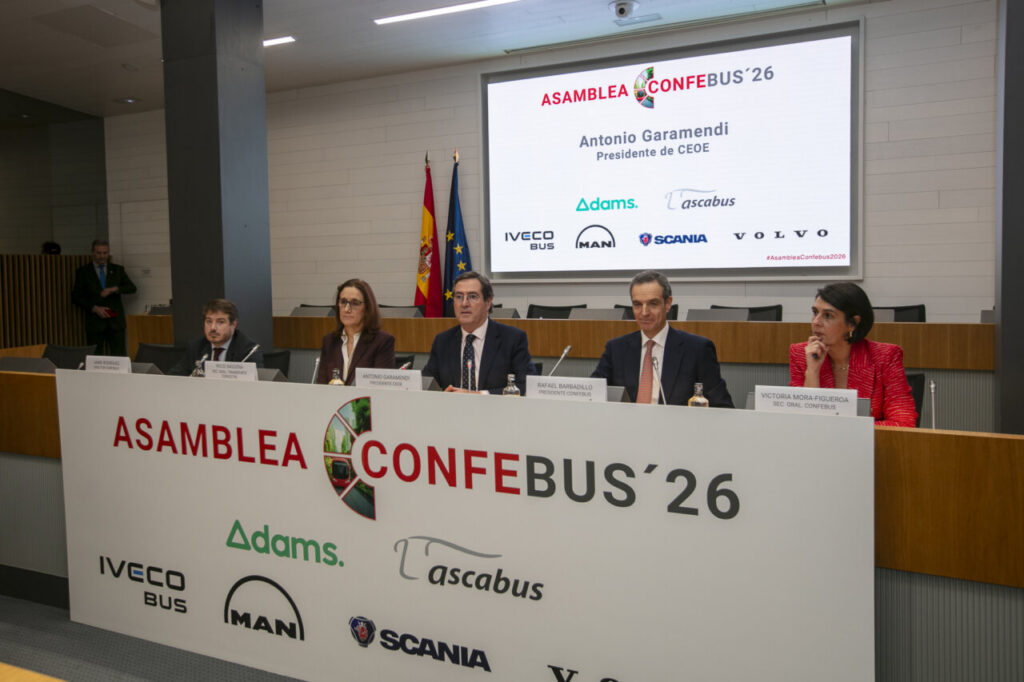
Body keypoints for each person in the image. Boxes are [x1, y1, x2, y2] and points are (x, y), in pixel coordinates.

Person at [592, 270, 733, 407]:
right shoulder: (616, 349)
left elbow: (722, 407)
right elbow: (591, 394)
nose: (644, 312)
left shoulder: (697, 350)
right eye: (637, 305)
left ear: (667, 304)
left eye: (653, 304)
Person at [789, 282, 917, 427]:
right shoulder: (802, 354)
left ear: (852, 323)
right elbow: (803, 422)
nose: (816, 322)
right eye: (815, 313)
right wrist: (812, 372)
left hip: (871, 447)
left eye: (828, 316)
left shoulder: (885, 356)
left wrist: (847, 429)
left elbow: (904, 422)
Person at [422, 271, 536, 393]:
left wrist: (479, 395)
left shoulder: (512, 339)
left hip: (495, 410)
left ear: (488, 303)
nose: (464, 303)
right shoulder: (442, 341)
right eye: (459, 297)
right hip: (452, 410)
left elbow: (527, 386)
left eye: (472, 296)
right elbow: (425, 383)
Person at [315, 279, 396, 384]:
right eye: (343, 302)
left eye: (355, 303)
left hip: (365, 400)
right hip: (332, 400)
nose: (347, 309)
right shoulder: (329, 341)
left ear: (367, 308)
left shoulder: (382, 342)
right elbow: (322, 386)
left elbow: (381, 390)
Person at [71, 239, 137, 356]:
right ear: (92, 253)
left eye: (105, 253)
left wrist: (115, 289)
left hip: (115, 322)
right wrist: (94, 308)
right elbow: (76, 296)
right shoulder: (83, 272)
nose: (102, 256)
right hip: (95, 323)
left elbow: (131, 288)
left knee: (119, 356)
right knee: (95, 357)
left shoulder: (118, 270)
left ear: (108, 253)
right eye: (99, 253)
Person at [169, 298, 264, 376]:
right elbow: (175, 376)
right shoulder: (196, 347)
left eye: (220, 322)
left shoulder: (249, 351)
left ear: (233, 324)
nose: (213, 328)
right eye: (209, 321)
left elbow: (253, 385)